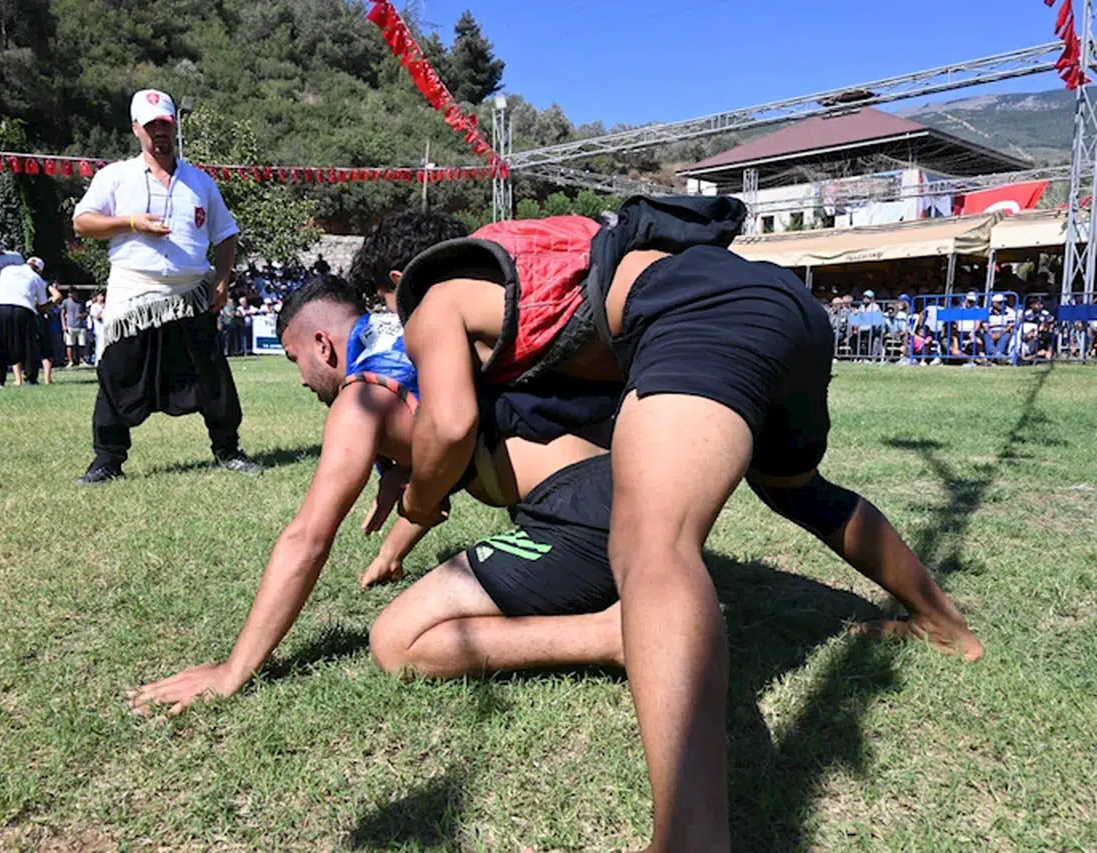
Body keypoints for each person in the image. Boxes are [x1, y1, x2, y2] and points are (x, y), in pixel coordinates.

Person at [371, 198, 984, 852]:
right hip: (785, 307)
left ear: (395, 284)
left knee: (651, 546)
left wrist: (417, 504)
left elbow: (449, 426)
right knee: (797, 491)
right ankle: (942, 623)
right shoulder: (510, 276)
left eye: (382, 304)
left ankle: (690, 841)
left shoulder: (433, 303)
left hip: (696, 316)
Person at [128, 276, 622, 715]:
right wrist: (391, 553)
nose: (301, 379)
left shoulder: (362, 396)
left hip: (580, 520)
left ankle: (614, 635)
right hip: (620, 488)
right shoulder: (417, 337)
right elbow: (436, 472)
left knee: (397, 642)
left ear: (323, 345)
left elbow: (308, 537)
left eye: (295, 359)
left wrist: (232, 670)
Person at [71, 89, 261, 484]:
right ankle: (107, 459)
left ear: (175, 127)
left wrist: (222, 282)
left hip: (192, 292)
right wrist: (132, 223)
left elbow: (226, 235)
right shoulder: (115, 176)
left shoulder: (200, 181)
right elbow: (82, 222)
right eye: (152, 125)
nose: (160, 132)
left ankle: (228, 450)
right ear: (136, 128)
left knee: (212, 376)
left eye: (166, 125)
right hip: (134, 292)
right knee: (116, 373)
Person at [0, 257, 51, 388]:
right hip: (24, 310)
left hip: (2, 308)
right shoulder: (37, 278)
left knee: (0, 344)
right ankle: (30, 378)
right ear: (39, 270)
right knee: (29, 345)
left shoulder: (7, 270)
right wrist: (51, 303)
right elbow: (42, 305)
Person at [61, 288, 89, 367]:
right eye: (69, 293)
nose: (70, 295)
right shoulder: (65, 302)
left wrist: (82, 315)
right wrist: (64, 325)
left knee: (82, 344)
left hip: (81, 326)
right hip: (70, 326)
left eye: (72, 293)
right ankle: (70, 361)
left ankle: (82, 360)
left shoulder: (81, 302)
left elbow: (86, 313)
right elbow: (62, 314)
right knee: (69, 344)